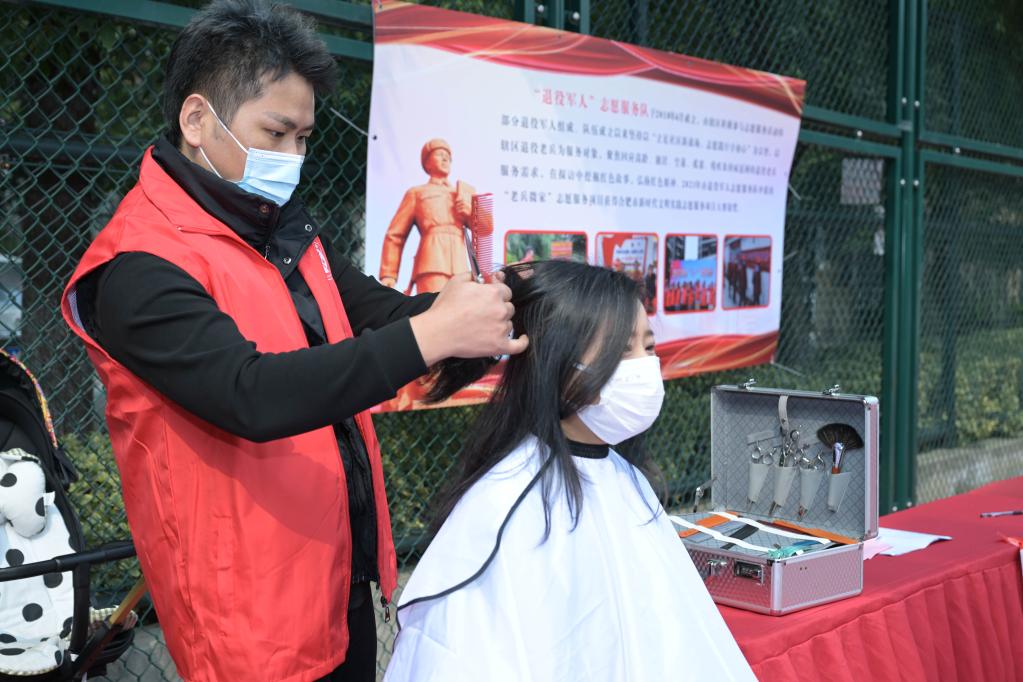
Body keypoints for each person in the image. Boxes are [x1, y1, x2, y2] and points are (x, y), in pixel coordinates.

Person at [59, 2, 526, 680]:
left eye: (303, 138)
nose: (293, 158)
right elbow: (249, 394)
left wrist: (505, 305)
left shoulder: (280, 229)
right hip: (244, 612)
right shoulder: (138, 265)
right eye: (275, 133)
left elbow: (385, 315)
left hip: (334, 571)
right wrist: (431, 334)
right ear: (197, 120)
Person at [384, 260, 755, 682]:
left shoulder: (626, 479)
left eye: (649, 348)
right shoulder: (503, 507)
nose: (644, 367)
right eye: (622, 350)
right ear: (559, 361)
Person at [379, 138, 477, 294]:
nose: (445, 159)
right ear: (427, 162)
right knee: (433, 305)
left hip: (460, 265)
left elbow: (485, 230)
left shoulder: (463, 193)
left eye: (448, 157)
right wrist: (389, 274)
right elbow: (395, 235)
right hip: (431, 262)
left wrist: (470, 214)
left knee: (462, 306)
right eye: (439, 154)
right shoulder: (417, 193)